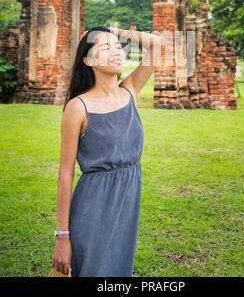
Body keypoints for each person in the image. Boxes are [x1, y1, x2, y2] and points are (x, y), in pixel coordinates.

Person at [51, 25, 165, 277]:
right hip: (92, 207)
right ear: (88, 59)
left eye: (118, 47)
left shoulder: (130, 91)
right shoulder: (78, 107)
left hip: (127, 204)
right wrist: (62, 236)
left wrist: (118, 32)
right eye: (105, 47)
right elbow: (65, 174)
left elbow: (158, 45)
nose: (116, 52)